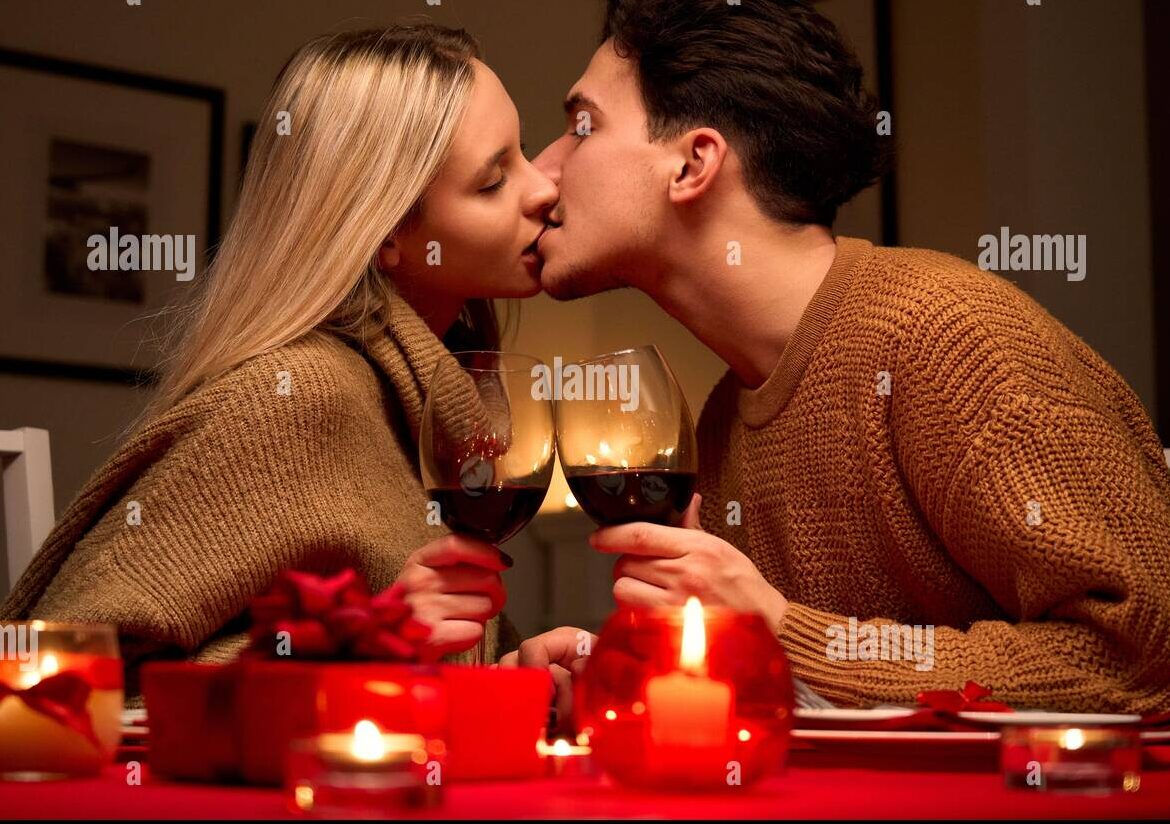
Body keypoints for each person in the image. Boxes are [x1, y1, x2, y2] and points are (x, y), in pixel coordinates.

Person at [523, 0, 1170, 712]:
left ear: (693, 163)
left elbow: (1138, 654)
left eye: (581, 125)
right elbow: (810, 705)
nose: (543, 170)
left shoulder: (947, 339)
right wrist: (620, 682)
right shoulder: (723, 417)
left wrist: (778, 628)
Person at [2, 24, 559, 695]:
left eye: (523, 153)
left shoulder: (435, 401)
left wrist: (506, 681)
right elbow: (55, 676)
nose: (543, 189)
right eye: (494, 179)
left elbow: (401, 683)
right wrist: (355, 651)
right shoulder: (296, 397)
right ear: (385, 232)